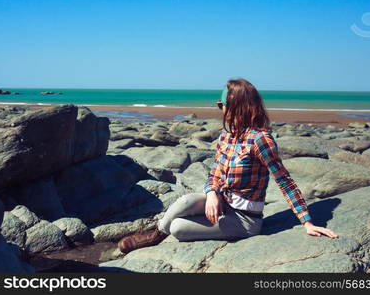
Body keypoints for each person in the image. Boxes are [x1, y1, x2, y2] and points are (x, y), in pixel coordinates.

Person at [118, 78, 337, 254]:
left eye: (222, 105)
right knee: (185, 200)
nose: (220, 109)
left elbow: (285, 181)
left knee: (177, 227)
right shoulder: (227, 136)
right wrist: (212, 193)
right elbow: (214, 172)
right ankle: (154, 235)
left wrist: (307, 222)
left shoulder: (261, 140)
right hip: (222, 202)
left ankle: (167, 230)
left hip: (245, 220)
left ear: (237, 107)